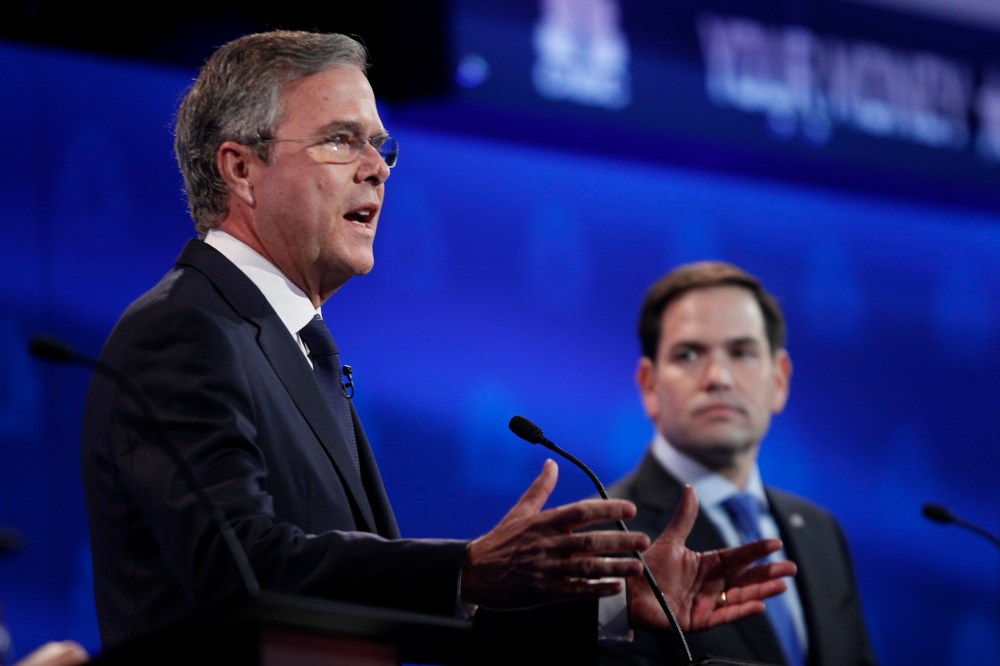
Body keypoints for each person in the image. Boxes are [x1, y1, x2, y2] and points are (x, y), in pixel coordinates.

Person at [79, 31, 795, 664]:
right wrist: (466, 567)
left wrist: (606, 607)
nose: (378, 167)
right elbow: (239, 568)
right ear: (240, 169)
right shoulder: (183, 331)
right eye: (341, 139)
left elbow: (381, 617)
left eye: (379, 144)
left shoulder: (296, 347)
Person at [599, 261, 878, 665]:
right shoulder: (607, 536)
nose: (718, 377)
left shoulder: (820, 530)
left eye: (742, 352)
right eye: (689, 353)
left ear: (778, 381)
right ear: (650, 386)